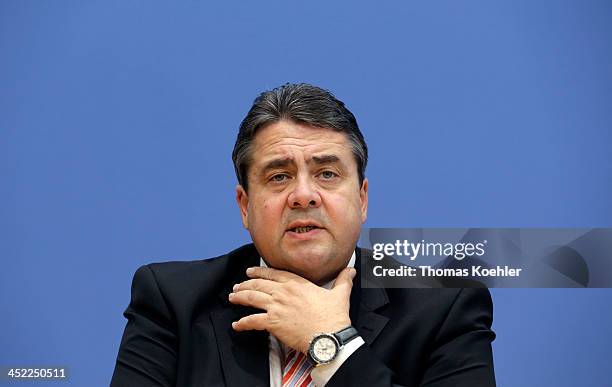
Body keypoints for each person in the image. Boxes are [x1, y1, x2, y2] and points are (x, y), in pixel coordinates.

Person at [111, 83, 496, 386]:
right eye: (279, 176)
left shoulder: (444, 309)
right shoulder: (174, 303)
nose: (303, 195)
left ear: (361, 199)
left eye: (327, 173)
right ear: (245, 206)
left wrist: (332, 343)